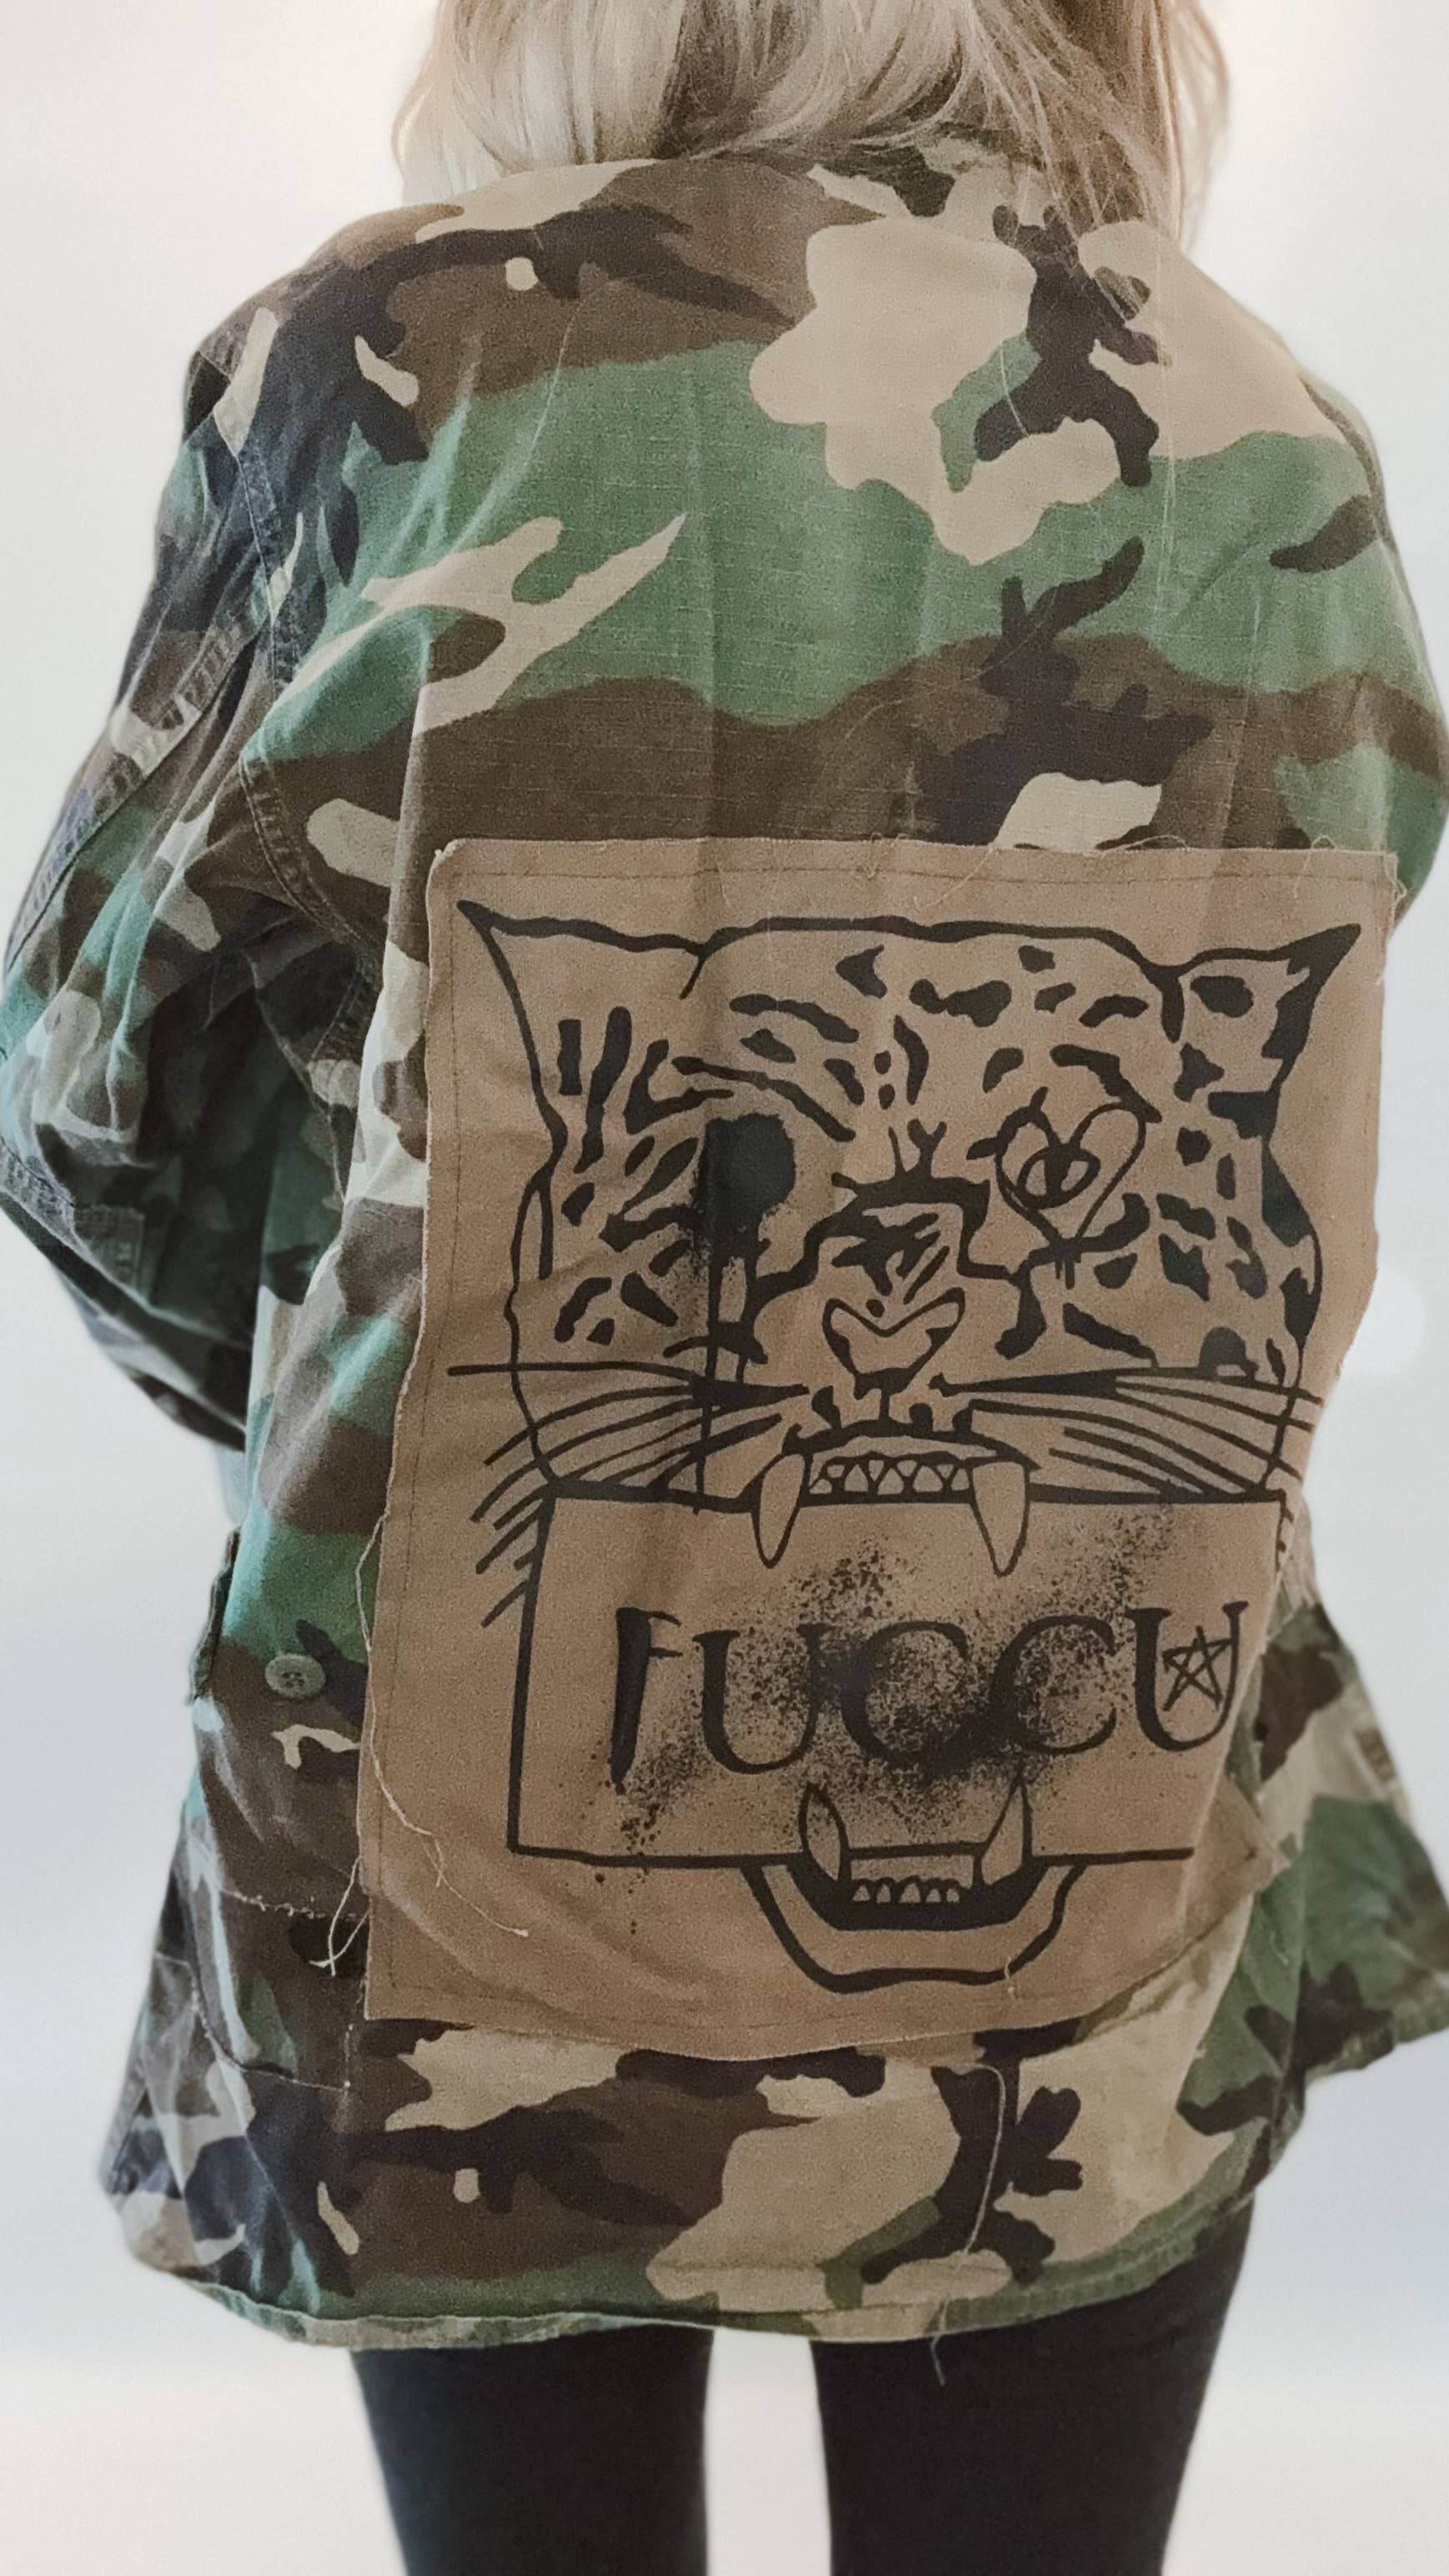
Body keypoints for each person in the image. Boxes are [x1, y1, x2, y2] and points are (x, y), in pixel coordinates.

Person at [3, 3, 1447, 2570]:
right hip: (1107, 1783)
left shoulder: (399, 359)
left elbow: (93, 1091)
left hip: (477, 1868)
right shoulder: (1269, 424)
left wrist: (390, 1403)